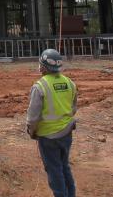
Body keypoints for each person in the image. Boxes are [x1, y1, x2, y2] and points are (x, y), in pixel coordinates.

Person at [26, 48, 77, 197]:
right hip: (67, 134)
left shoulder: (39, 86)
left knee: (54, 170)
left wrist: (31, 131)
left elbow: (32, 117)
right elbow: (73, 108)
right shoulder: (70, 83)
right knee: (64, 166)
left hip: (48, 137)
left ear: (43, 66)